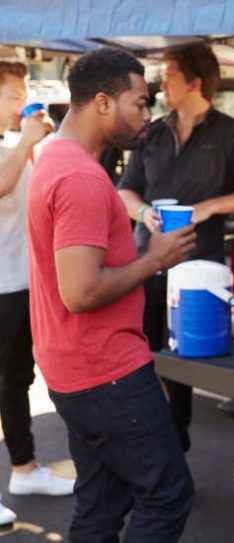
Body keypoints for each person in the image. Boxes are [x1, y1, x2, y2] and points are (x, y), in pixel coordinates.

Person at [26, 48, 196, 541]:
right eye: (140, 104)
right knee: (167, 494)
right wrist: (155, 260)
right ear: (102, 102)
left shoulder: (58, 158)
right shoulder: (79, 176)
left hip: (82, 369)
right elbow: (80, 291)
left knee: (101, 505)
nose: (147, 116)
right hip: (102, 372)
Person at [117, 43, 234, 451]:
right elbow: (125, 190)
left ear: (195, 82)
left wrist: (208, 207)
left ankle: (175, 450)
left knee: (183, 365)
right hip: (145, 263)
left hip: (200, 271)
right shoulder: (153, 133)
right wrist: (144, 213)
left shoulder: (231, 134)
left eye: (170, 75)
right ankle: (148, 448)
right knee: (142, 357)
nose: (162, 84)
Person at [0, 60, 74, 525]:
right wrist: (29, 139)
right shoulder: (18, 142)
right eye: (11, 96)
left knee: (16, 381)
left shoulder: (17, 143)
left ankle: (24, 468)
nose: (20, 104)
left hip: (22, 283)